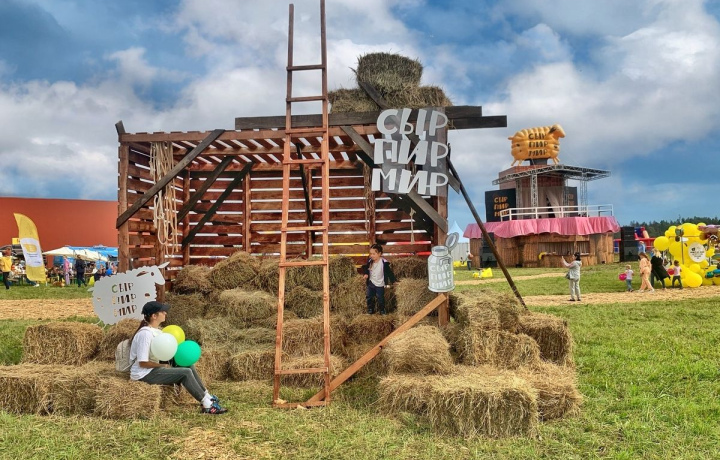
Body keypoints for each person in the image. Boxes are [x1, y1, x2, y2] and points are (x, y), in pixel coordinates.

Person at [129, 301, 228, 415]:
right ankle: (207, 405)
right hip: (143, 374)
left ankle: (207, 396)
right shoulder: (145, 334)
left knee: (188, 365)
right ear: (154, 316)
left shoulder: (157, 331)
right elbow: (142, 363)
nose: (165, 313)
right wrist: (162, 365)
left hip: (152, 369)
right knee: (185, 373)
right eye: (162, 311)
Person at [362, 243, 396, 315]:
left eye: (374, 254)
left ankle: (382, 310)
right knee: (369, 297)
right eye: (371, 254)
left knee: (380, 297)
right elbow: (366, 268)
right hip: (371, 282)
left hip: (380, 284)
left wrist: (394, 281)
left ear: (379, 254)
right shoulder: (370, 261)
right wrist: (366, 274)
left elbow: (389, 273)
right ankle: (370, 309)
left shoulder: (384, 263)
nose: (371, 255)